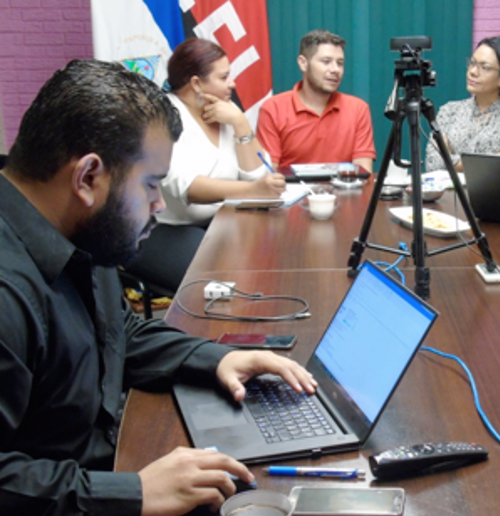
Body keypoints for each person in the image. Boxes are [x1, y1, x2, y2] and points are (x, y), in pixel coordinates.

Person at [0, 59, 317, 516]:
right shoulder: (9, 291)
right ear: (88, 177)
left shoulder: (78, 232)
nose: (158, 204)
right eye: (151, 185)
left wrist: (220, 358)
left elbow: (118, 334)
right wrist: (133, 493)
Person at [123, 38, 286, 294]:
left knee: (272, 255)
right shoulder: (160, 117)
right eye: (223, 77)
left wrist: (241, 123)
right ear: (196, 83)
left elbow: (257, 173)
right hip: (163, 230)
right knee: (227, 277)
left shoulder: (227, 110)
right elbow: (188, 188)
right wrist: (253, 189)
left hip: (219, 223)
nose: (232, 83)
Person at [257, 29, 376, 171]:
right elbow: (270, 174)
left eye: (340, 63)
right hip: (292, 192)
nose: (335, 70)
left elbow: (363, 172)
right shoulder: (274, 108)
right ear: (303, 63)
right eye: (326, 62)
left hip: (346, 191)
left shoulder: (358, 109)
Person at [425, 36, 500, 172]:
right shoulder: (449, 110)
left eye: (485, 67)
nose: (472, 72)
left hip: (494, 193)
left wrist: (449, 159)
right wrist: (492, 161)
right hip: (449, 193)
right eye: (472, 63)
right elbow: (433, 164)